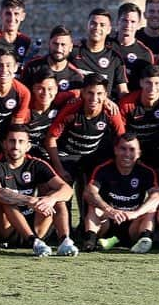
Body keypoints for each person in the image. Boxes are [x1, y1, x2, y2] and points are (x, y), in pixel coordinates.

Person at [0, 124, 77, 256]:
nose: (16, 146)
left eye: (21, 142)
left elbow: (67, 190)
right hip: (7, 229)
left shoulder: (37, 164)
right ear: (5, 144)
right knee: (5, 199)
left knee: (57, 197)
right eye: (12, 141)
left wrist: (50, 199)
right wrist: (29, 200)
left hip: (35, 225)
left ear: (28, 146)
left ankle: (65, 241)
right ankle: (33, 242)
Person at [45, 73, 126, 209]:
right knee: (63, 195)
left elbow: (122, 140)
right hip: (67, 155)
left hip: (93, 155)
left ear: (106, 94)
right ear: (82, 92)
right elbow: (51, 139)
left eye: (99, 94)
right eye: (90, 93)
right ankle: (65, 230)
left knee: (93, 195)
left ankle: (88, 228)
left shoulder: (111, 112)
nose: (94, 98)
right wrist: (59, 168)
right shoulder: (71, 110)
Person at [81, 132, 159, 254]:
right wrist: (109, 210)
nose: (127, 154)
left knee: (151, 208)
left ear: (139, 153)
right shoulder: (103, 169)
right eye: (123, 149)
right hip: (108, 222)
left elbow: (157, 196)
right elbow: (89, 192)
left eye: (132, 149)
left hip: (132, 224)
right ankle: (90, 240)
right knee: (94, 207)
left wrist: (135, 213)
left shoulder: (146, 172)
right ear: (115, 150)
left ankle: (144, 239)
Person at [118, 63, 159, 176]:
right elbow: (120, 134)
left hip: (158, 149)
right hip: (132, 149)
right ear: (141, 83)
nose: (152, 88)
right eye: (148, 83)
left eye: (157, 83)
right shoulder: (127, 104)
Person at [70, 8, 128, 96]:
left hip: (102, 107)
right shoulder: (72, 51)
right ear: (87, 26)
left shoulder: (115, 58)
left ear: (109, 30)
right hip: (74, 106)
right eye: (93, 23)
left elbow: (123, 91)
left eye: (102, 25)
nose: (97, 28)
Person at [20, 25, 84, 93]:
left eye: (63, 45)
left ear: (71, 47)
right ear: (49, 43)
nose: (59, 49)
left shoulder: (76, 76)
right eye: (55, 44)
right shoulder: (32, 68)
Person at [112, 2, 155, 92]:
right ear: (117, 21)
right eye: (124, 20)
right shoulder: (105, 44)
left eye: (133, 22)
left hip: (129, 103)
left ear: (138, 24)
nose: (128, 25)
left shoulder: (145, 53)